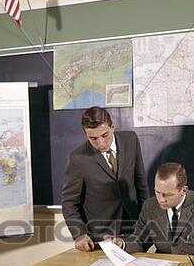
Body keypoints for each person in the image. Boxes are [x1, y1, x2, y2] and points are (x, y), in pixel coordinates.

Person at [118, 162, 194, 264]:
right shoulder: (149, 206)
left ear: (183, 190)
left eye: (168, 195)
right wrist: (122, 244)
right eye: (157, 192)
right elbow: (139, 241)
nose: (161, 199)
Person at [62, 106, 149, 252]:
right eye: (93, 139)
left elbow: (141, 183)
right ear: (85, 134)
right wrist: (79, 234)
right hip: (100, 237)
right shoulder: (78, 158)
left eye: (105, 135)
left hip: (134, 231)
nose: (101, 143)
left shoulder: (131, 140)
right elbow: (69, 202)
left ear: (112, 127)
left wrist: (147, 222)